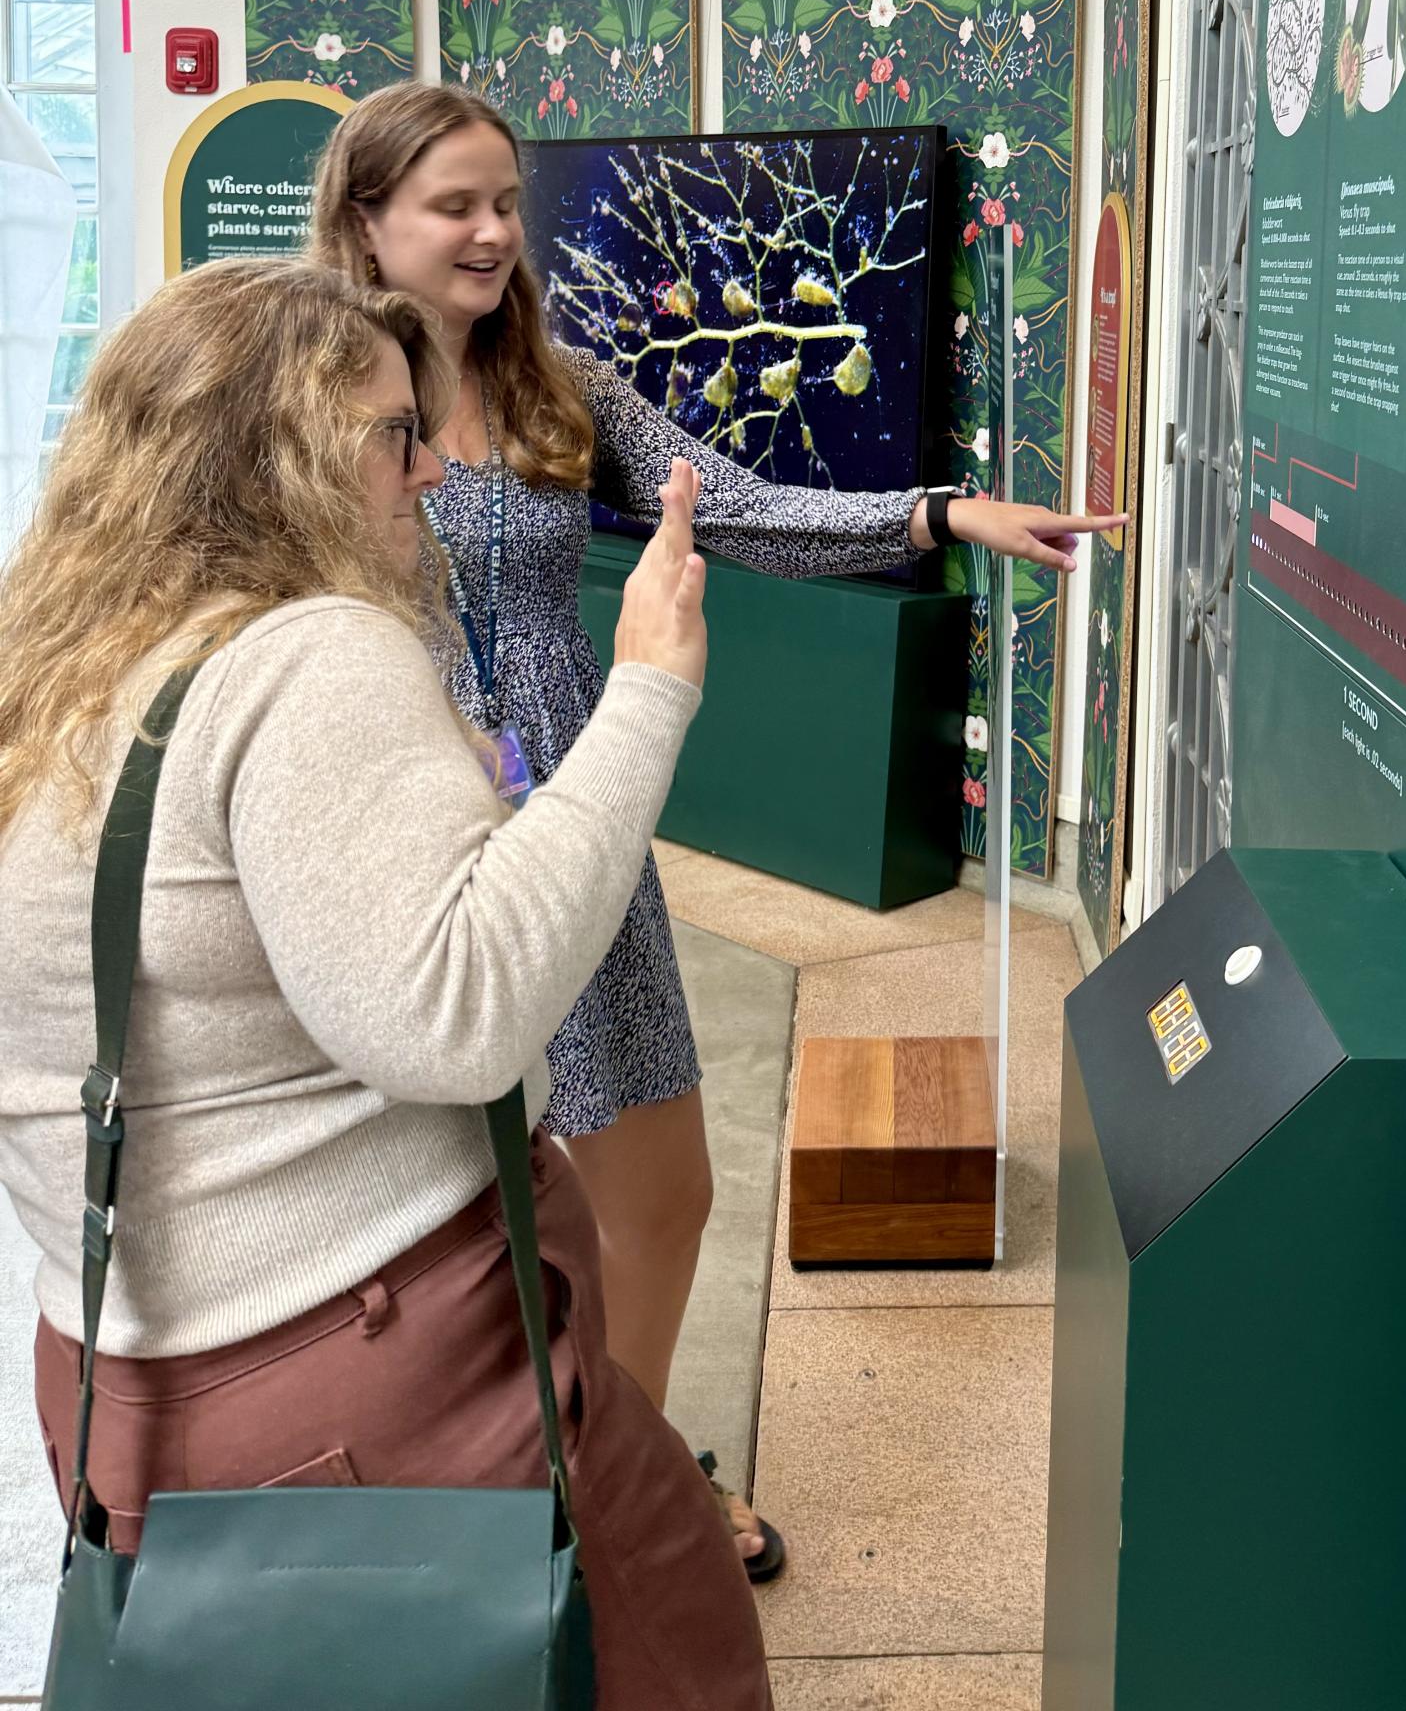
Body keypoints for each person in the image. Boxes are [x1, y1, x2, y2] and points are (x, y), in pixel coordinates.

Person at [310, 81, 1121, 1571]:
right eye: (454, 205)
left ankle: (625, 1475)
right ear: (365, 220)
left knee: (658, 1190)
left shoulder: (557, 382)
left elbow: (731, 504)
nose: (493, 232)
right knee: (440, 1216)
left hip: (582, 820)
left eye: (506, 202)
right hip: (401, 832)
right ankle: (482, 1504)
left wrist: (938, 517)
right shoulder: (301, 394)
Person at [0, 258, 770, 1711]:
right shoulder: (310, 658)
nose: (425, 472)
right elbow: (458, 1012)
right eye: (391, 436)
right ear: (282, 451)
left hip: (129, 1383)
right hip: (391, 1381)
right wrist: (652, 684)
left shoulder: (57, 668)